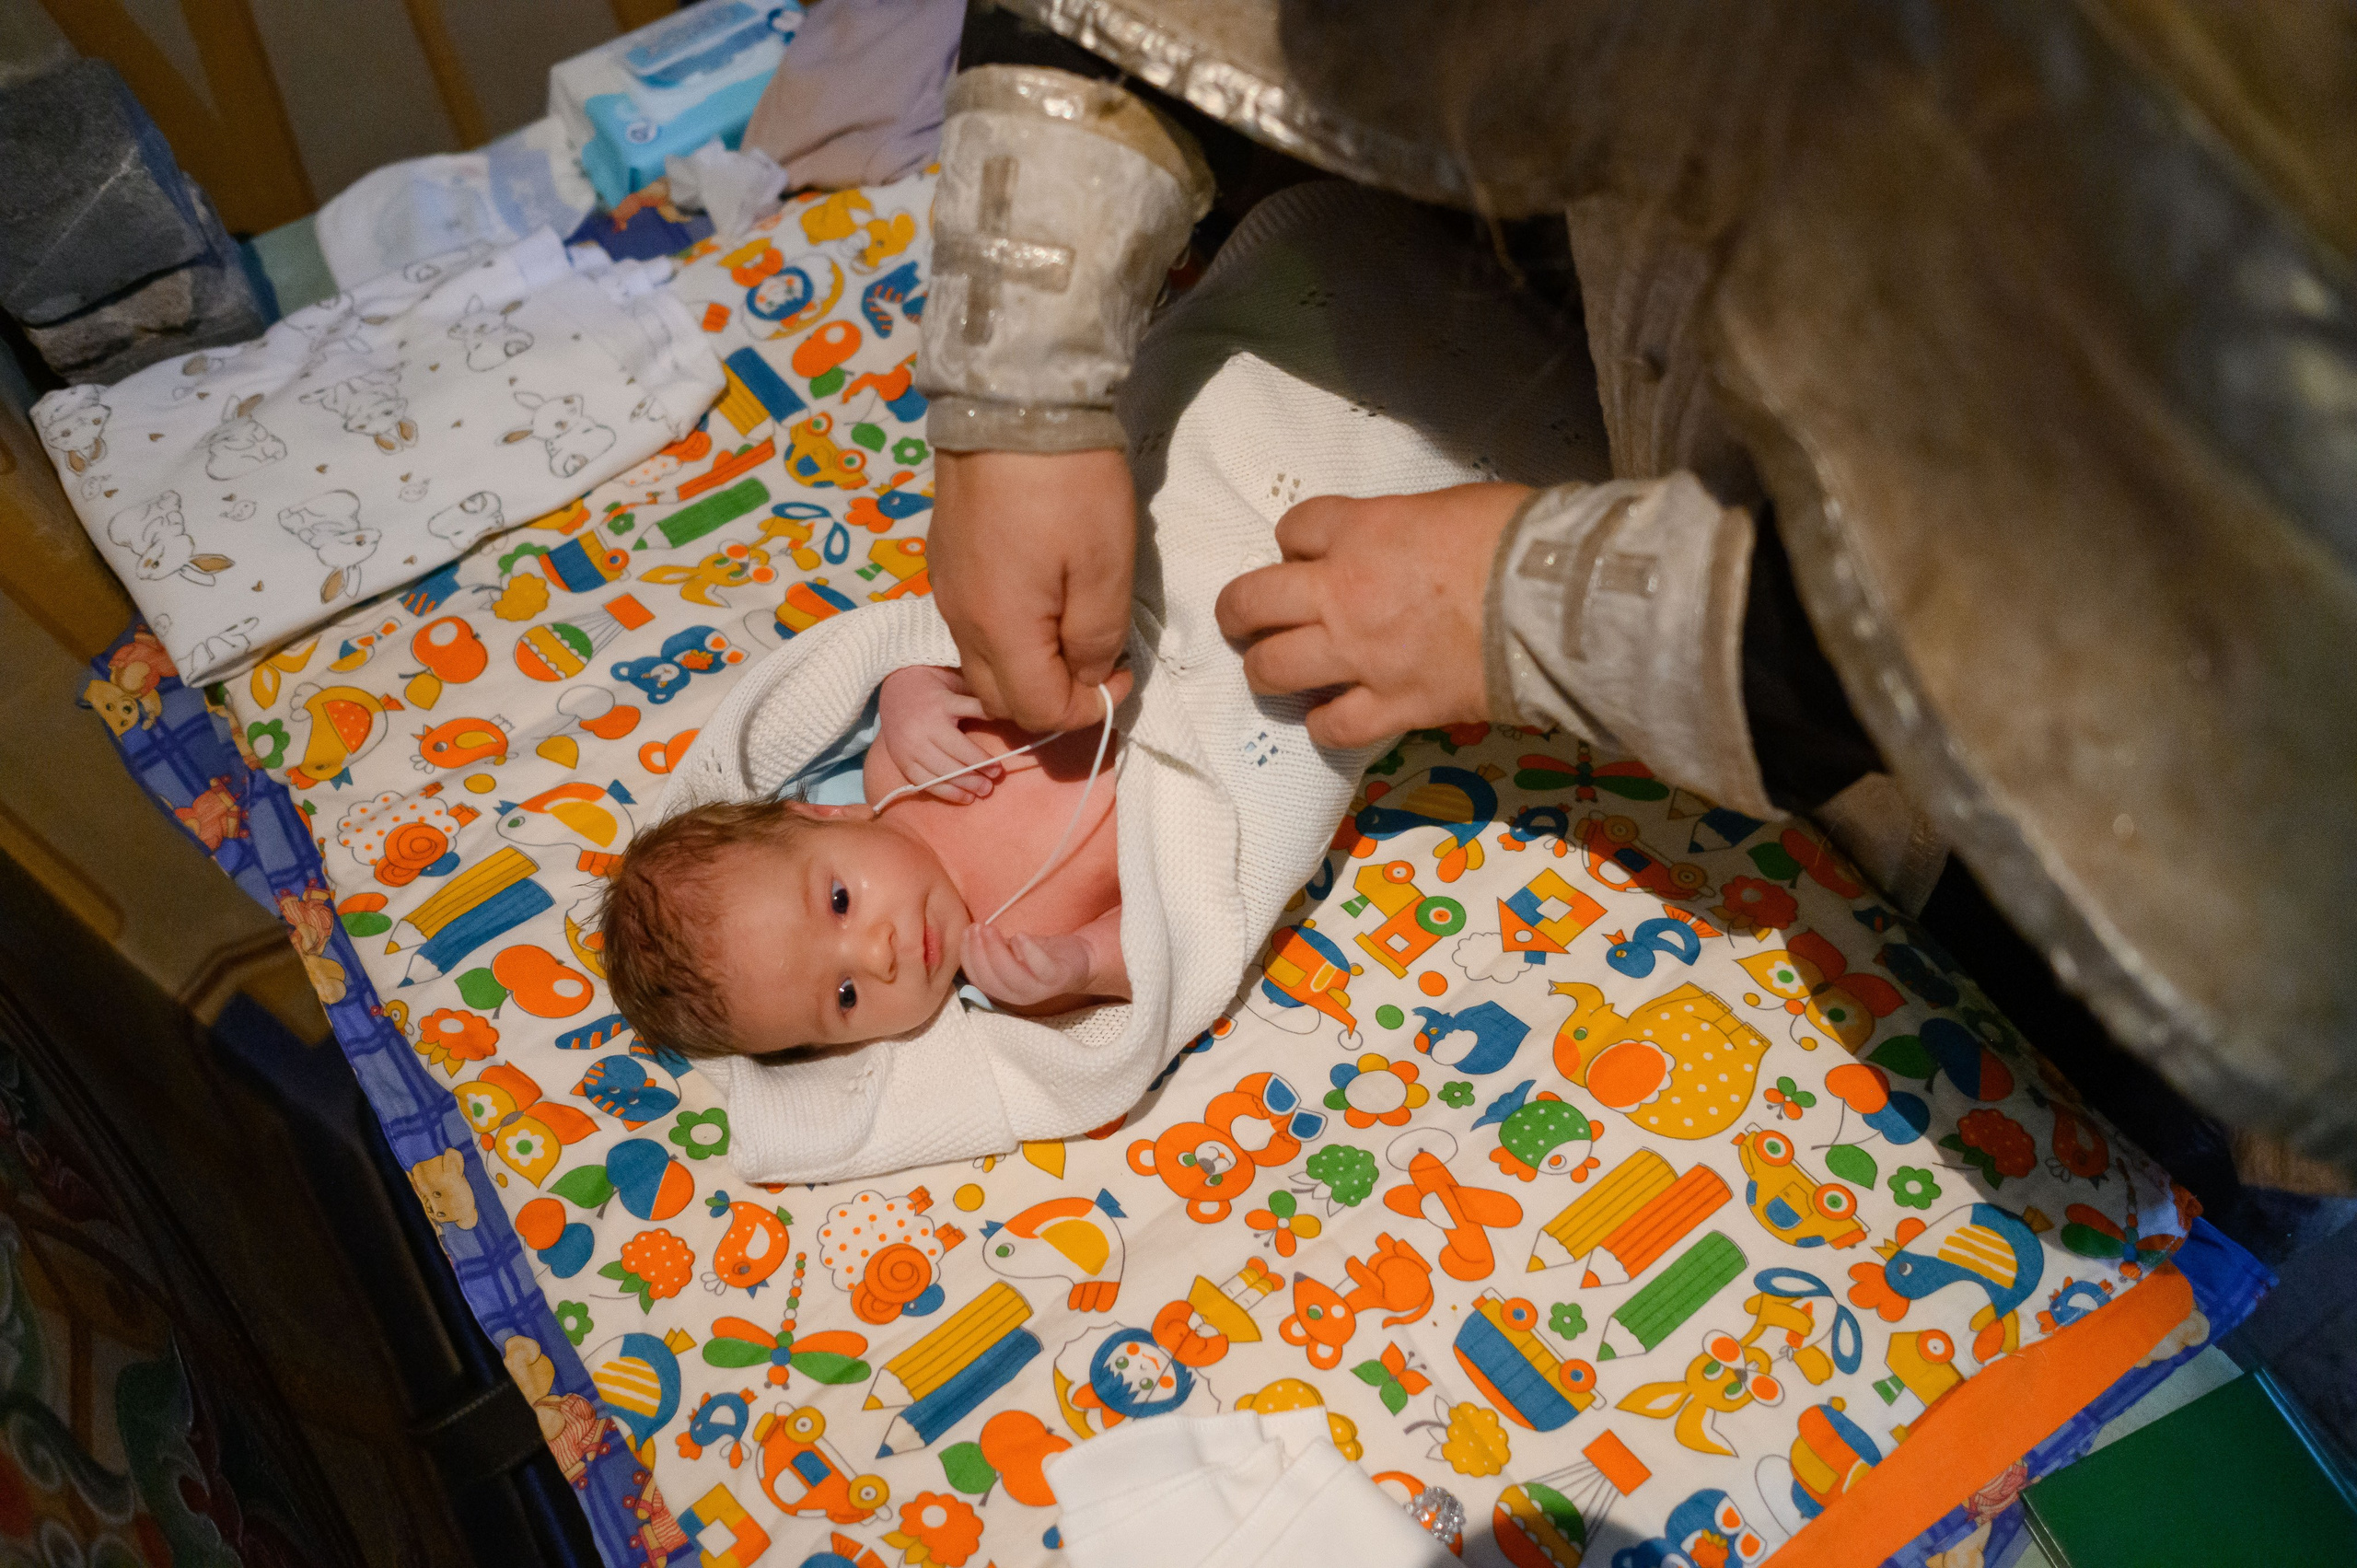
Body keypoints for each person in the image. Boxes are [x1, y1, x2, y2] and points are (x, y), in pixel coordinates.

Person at [909, 3, 2357, 1167]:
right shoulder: (937, 731)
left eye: (839, 909)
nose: (879, 939)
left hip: (2095, 765)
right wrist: (1015, 377)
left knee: (2100, 1100)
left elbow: (2057, 560)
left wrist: (1530, 606)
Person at [601, 662, 1123, 1061]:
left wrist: (913, 685)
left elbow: (963, 631)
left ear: (823, 814)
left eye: (839, 901)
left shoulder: (902, 761)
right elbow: (1171, 940)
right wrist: (1082, 964)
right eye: (846, 997)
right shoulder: (1020, 968)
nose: (879, 956)